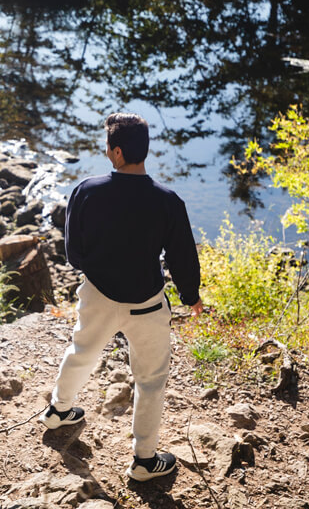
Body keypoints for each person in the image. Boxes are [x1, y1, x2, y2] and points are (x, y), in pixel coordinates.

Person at [40, 112, 203, 481]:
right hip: (146, 304)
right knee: (149, 380)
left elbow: (74, 252)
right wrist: (191, 295)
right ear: (143, 151)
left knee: (82, 352)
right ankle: (144, 460)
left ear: (116, 152)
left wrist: (97, 269)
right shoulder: (168, 201)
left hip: (97, 294)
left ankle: (58, 411)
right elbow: (182, 256)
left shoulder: (86, 190)